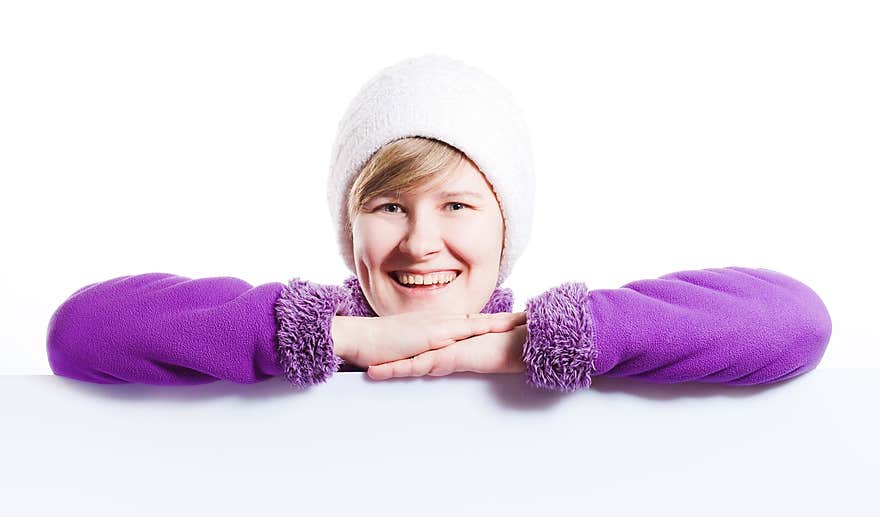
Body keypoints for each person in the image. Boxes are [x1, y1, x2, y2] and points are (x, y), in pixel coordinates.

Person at [46, 54, 832, 391]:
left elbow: (793, 321)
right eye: (389, 205)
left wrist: (535, 342)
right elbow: (79, 333)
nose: (421, 241)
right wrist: (340, 338)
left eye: (457, 204)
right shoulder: (309, 338)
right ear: (349, 229)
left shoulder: (557, 340)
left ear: (504, 227)